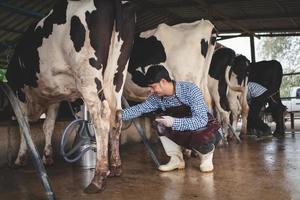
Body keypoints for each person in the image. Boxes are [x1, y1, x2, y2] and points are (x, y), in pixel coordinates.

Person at [122, 64, 221, 173]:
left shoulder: (190, 90)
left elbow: (201, 120)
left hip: (207, 130)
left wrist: (174, 122)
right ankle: (176, 159)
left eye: (153, 87)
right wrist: (120, 115)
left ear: (163, 82)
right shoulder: (157, 97)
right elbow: (141, 108)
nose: (151, 91)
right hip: (186, 131)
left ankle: (206, 155)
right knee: (159, 123)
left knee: (202, 141)